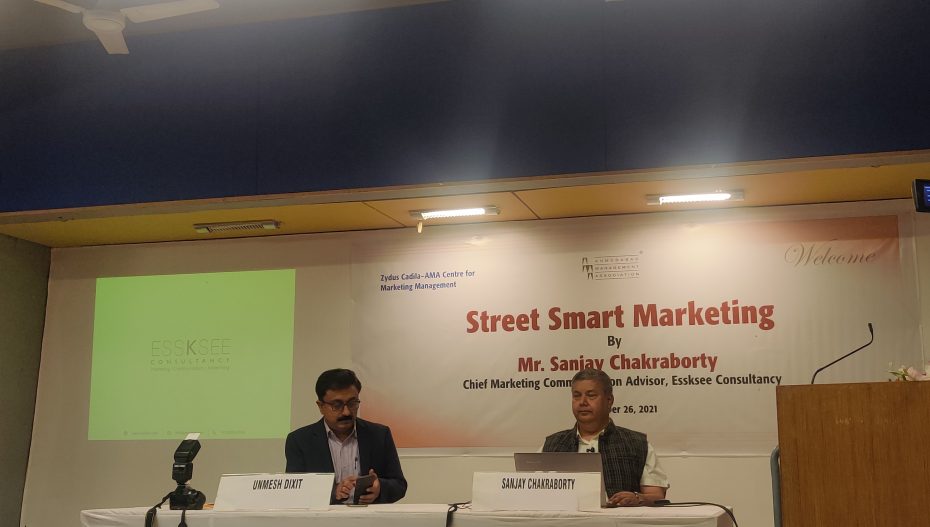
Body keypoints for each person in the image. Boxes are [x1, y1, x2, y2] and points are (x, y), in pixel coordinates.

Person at [543, 368, 668, 507]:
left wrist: (637, 498)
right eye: (576, 396)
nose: (582, 402)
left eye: (591, 395)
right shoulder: (552, 445)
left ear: (609, 400)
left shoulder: (637, 444)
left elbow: (657, 496)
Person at [285, 368, 407, 504]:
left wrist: (380, 489)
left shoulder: (379, 435)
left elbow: (399, 485)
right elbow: (295, 490)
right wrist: (333, 492)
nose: (346, 412)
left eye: (352, 403)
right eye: (337, 405)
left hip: (368, 515)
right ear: (320, 406)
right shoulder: (299, 441)